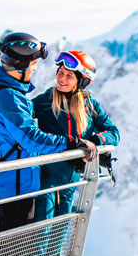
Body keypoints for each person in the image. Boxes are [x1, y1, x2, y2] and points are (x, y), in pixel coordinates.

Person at [0, 31, 95, 256]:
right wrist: (72, 143)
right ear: (22, 66)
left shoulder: (0, 91)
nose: (36, 70)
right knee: (11, 252)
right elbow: (32, 139)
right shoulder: (8, 98)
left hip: (11, 182)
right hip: (17, 186)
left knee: (6, 248)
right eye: (34, 65)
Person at [30, 50, 120, 219]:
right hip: (46, 179)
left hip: (71, 181)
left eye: (69, 76)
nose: (61, 79)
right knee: (41, 234)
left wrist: (93, 141)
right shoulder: (46, 100)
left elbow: (114, 133)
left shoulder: (90, 105)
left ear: (82, 81)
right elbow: (19, 115)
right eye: (60, 73)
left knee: (60, 234)